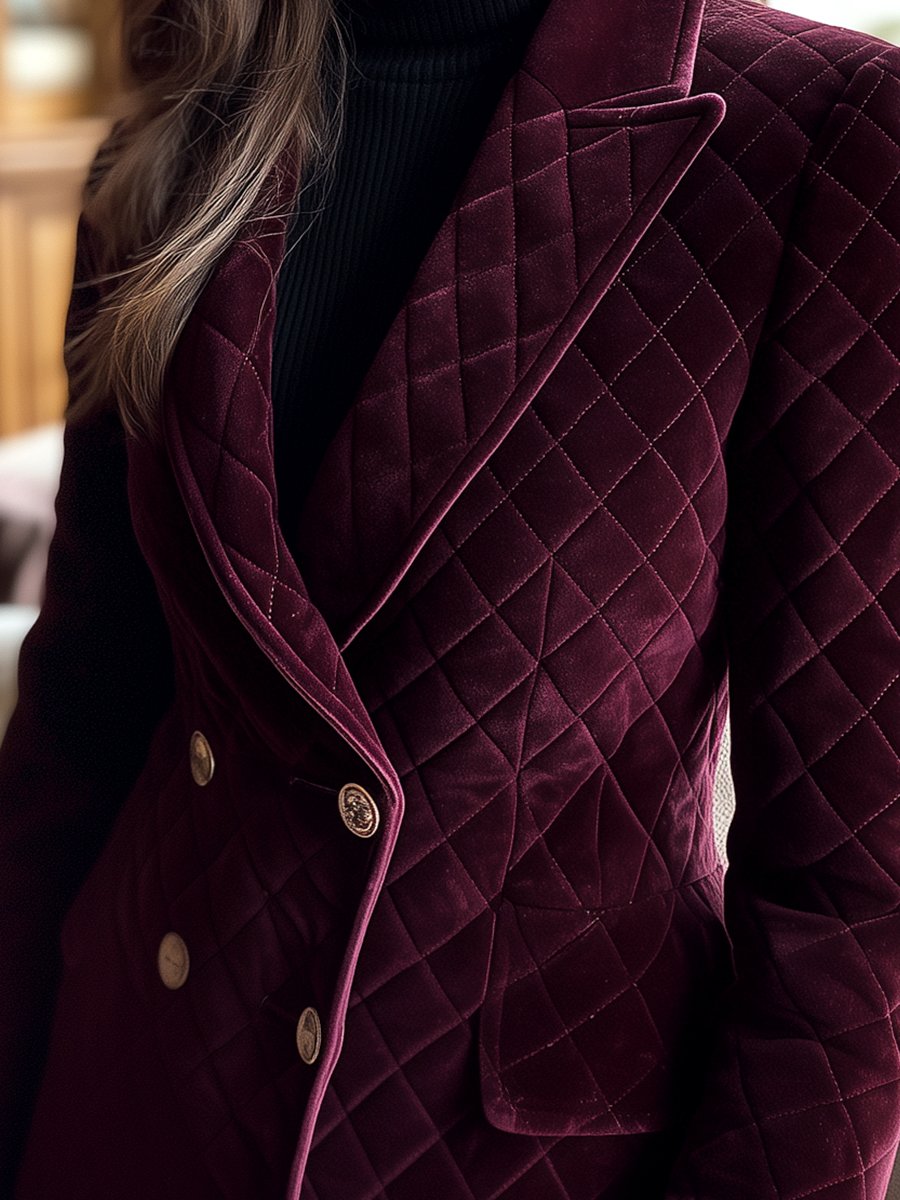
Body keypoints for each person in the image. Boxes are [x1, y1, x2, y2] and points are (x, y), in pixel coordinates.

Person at [2, 0, 899, 1196]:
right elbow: (80, 713)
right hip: (121, 1099)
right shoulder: (185, 84)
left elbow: (854, 915)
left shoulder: (825, 133)